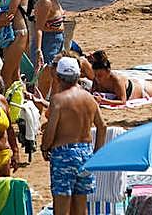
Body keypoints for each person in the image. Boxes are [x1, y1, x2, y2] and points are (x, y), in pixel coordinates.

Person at [42, 57, 106, 215]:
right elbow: (102, 126)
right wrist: (97, 154)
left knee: (62, 207)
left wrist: (45, 147)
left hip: (64, 154)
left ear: (58, 77)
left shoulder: (58, 100)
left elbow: (50, 131)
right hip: (86, 153)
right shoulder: (89, 98)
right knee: (81, 207)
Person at [35, 0, 73, 66]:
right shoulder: (46, 2)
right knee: (49, 71)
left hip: (57, 40)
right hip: (49, 42)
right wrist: (39, 50)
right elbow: (38, 28)